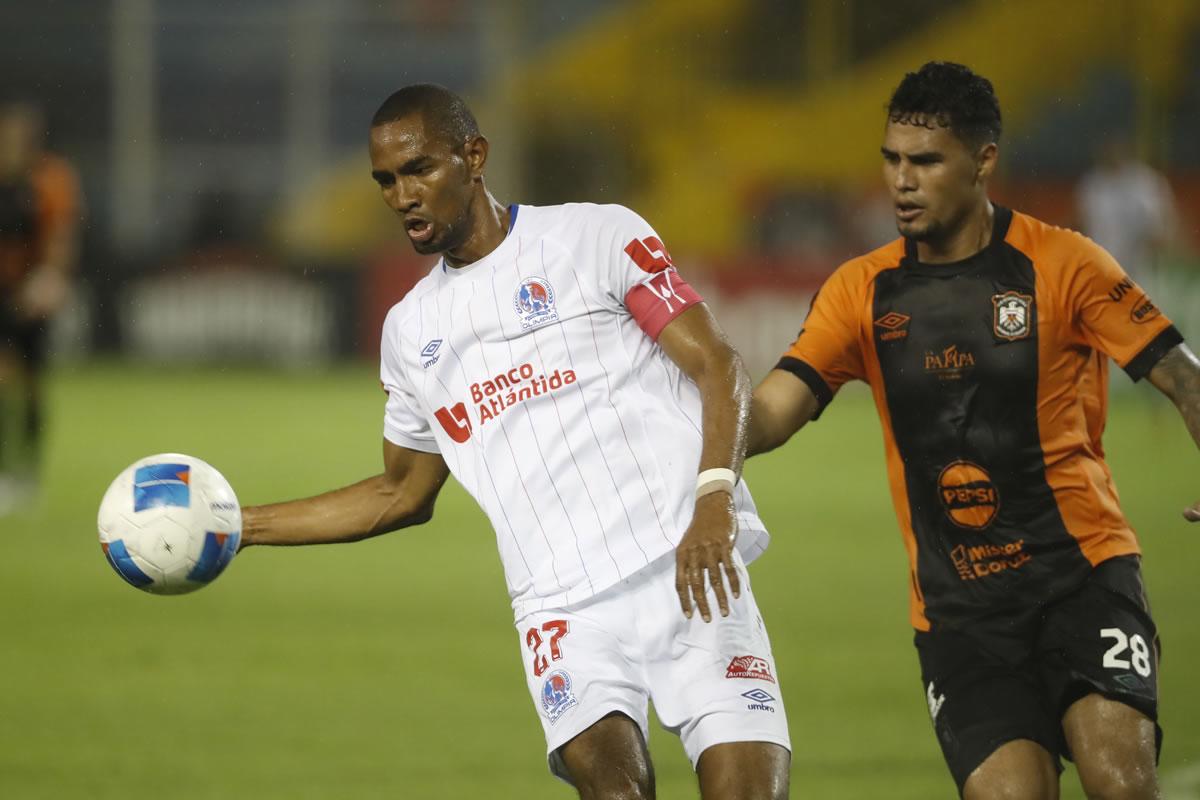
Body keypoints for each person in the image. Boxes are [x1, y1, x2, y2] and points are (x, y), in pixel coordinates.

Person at [239, 84, 791, 799]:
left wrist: (713, 501)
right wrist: (242, 526)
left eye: (419, 169)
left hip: (687, 564)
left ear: (474, 156)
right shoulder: (410, 331)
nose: (403, 196)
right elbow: (400, 492)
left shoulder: (594, 237)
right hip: (560, 610)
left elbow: (717, 365)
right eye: (386, 180)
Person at [748, 61, 1200, 799]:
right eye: (892, 159)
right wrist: (699, 436)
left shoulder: (1064, 263)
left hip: (1082, 575)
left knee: (1119, 780)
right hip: (957, 611)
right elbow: (772, 409)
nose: (902, 181)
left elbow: (1184, 378)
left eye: (926, 161)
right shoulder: (862, 290)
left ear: (983, 161)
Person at [0, 101, 83, 513]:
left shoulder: (50, 179)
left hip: (29, 293)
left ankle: (26, 473)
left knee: (32, 386)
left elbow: (61, 233)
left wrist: (51, 278)